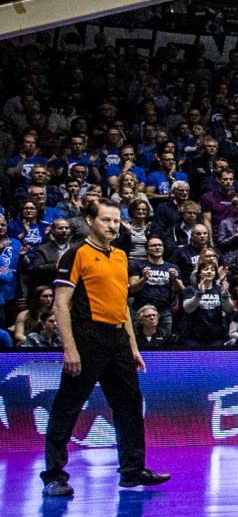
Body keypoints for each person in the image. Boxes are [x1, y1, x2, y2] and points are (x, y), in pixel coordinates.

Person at [41, 199, 168, 498]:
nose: (112, 226)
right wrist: (69, 349)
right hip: (87, 338)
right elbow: (60, 304)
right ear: (89, 220)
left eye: (116, 221)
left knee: (130, 406)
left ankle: (132, 471)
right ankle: (54, 476)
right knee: (67, 407)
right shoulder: (76, 254)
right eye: (105, 220)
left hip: (118, 341)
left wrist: (133, 346)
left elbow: (122, 304)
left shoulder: (121, 256)